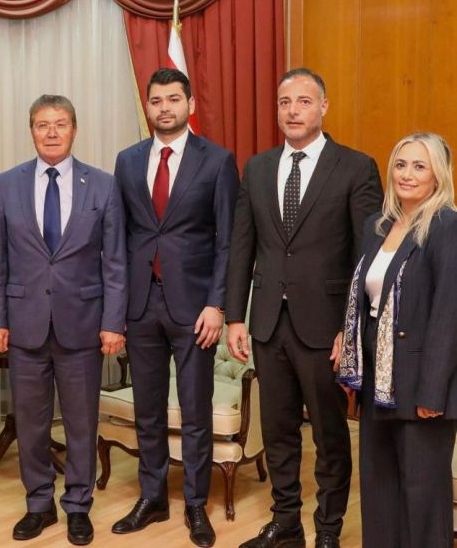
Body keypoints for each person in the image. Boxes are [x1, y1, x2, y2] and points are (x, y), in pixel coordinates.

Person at [226, 68, 383, 548]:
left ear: (324, 107)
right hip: (267, 323)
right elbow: (242, 246)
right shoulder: (257, 168)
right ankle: (286, 522)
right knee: (278, 431)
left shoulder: (355, 168)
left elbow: (367, 257)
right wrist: (235, 316)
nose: (292, 111)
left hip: (325, 328)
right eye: (284, 102)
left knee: (330, 436)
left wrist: (349, 330)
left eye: (303, 101)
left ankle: (329, 529)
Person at [0, 94, 127, 546]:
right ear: (31, 130)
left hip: (82, 324)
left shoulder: (102, 185)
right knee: (31, 424)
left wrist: (113, 321)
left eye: (60, 124)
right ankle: (39, 505)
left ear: (74, 129)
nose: (51, 132)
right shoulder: (6, 184)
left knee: (82, 423)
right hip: (23, 325)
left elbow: (115, 262)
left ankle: (78, 506)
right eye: (42, 124)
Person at [111, 68, 239, 547]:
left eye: (173, 99)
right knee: (147, 409)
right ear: (147, 106)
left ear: (190, 105)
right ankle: (153, 498)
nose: (164, 108)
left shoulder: (218, 161)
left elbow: (227, 240)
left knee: (194, 410)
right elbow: (120, 237)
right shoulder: (127, 160)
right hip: (141, 304)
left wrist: (217, 304)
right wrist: (118, 307)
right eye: (156, 100)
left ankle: (195, 503)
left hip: (195, 308)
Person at [337, 133, 457, 548]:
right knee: (379, 489)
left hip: (423, 382)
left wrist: (433, 392)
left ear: (438, 175)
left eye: (419, 166)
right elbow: (365, 300)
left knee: (422, 496)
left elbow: (448, 314)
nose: (407, 174)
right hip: (378, 378)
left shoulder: (447, 226)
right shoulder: (378, 225)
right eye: (401, 164)